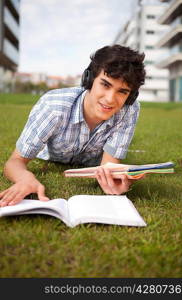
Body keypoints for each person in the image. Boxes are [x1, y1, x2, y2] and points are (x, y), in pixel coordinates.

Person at [0, 44, 146, 207]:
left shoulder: (129, 110)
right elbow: (14, 162)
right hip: (53, 156)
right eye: (105, 84)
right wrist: (25, 178)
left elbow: (108, 167)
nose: (111, 99)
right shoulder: (53, 106)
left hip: (93, 162)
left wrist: (116, 182)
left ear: (131, 96)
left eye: (122, 91)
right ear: (89, 80)